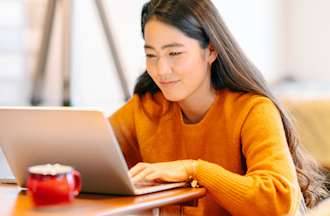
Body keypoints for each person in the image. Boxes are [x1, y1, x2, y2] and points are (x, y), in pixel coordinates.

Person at [109, 0, 328, 215]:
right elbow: (90, 152)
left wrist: (194, 169)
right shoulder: (147, 107)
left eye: (174, 53)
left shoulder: (253, 109)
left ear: (211, 50)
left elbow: (278, 201)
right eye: (151, 55)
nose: (161, 69)